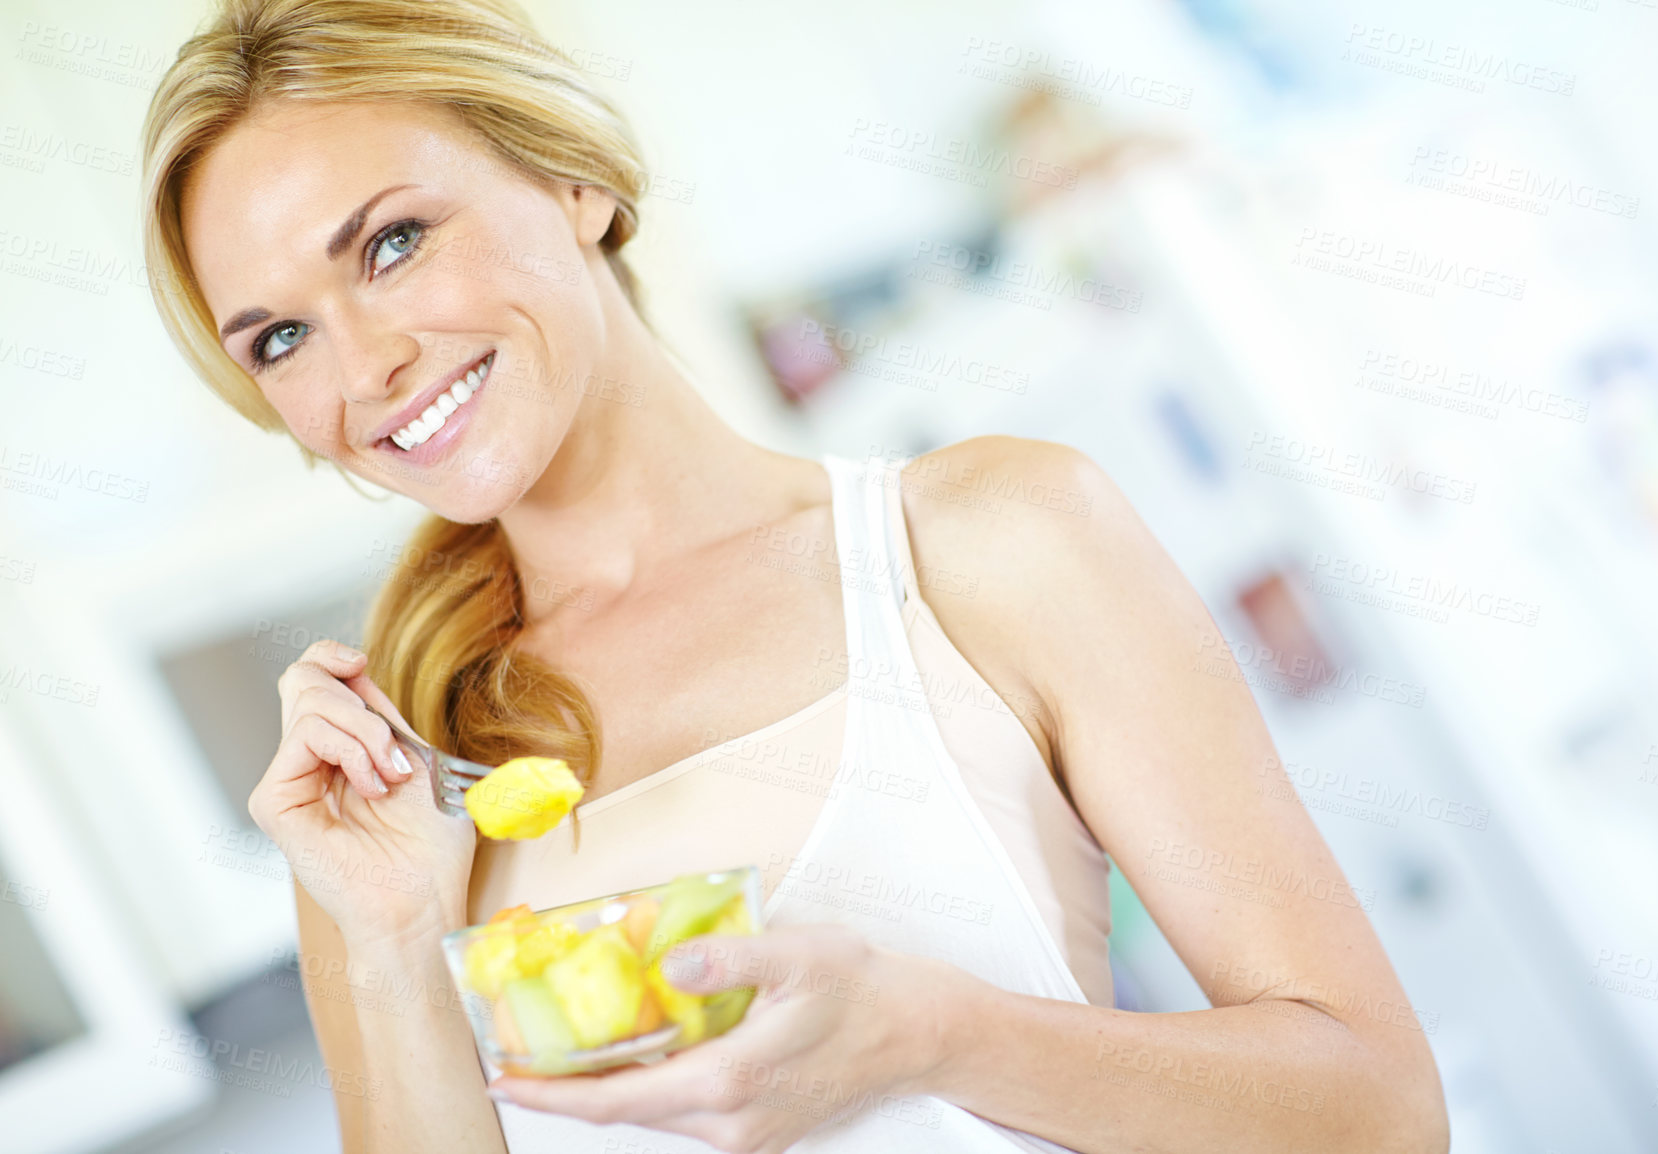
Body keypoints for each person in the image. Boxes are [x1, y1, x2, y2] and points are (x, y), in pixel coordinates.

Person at [140, 2, 1449, 1152]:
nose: (362, 363)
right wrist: (385, 946)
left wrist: (938, 1035)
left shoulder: (985, 542)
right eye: (282, 337)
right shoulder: (388, 784)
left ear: (576, 181)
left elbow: (1378, 1115)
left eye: (392, 243)